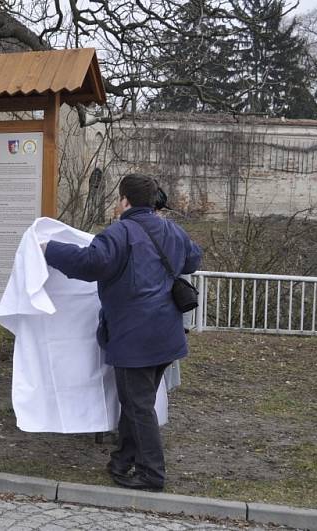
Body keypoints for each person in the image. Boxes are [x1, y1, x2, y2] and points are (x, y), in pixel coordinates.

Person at [42, 173, 202, 491]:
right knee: (134, 402)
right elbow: (192, 259)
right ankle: (122, 460)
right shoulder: (171, 230)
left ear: (125, 201)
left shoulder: (119, 233)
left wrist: (49, 249)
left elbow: (90, 263)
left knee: (138, 406)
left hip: (135, 338)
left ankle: (152, 474)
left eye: (119, 199)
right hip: (167, 335)